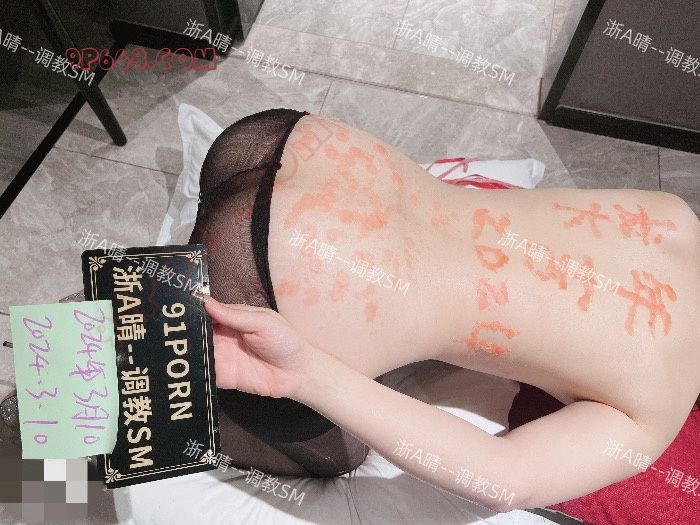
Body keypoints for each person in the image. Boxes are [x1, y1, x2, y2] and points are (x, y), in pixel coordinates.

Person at [189, 108, 700, 512]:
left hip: (304, 146)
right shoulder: (658, 407)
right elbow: (508, 479)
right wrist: (305, 374)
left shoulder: (678, 217)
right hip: (319, 278)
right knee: (326, 453)